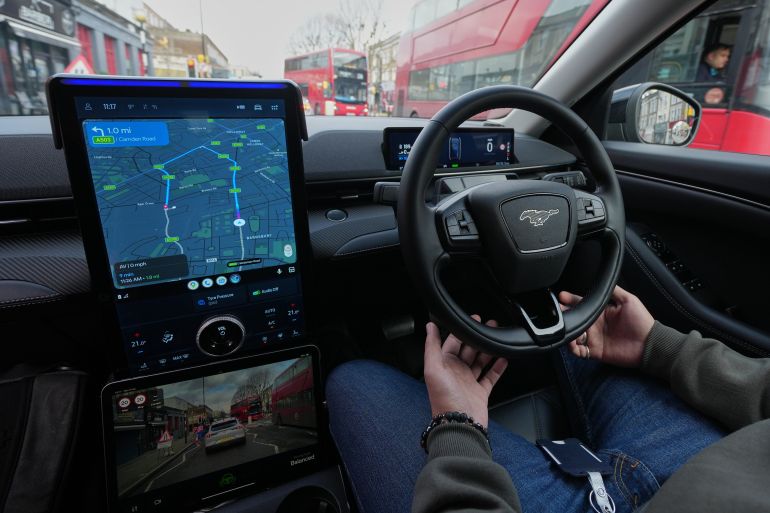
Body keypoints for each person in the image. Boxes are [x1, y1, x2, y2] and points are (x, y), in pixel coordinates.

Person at [326, 286, 770, 513]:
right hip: (718, 457)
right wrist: (660, 346)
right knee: (567, 329)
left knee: (352, 380)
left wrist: (456, 428)